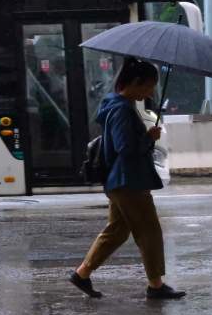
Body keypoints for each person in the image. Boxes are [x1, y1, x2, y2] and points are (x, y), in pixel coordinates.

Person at [69, 57, 186, 300]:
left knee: (117, 231)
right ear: (134, 82)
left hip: (118, 181)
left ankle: (82, 274)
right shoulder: (122, 109)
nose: (151, 91)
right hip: (129, 181)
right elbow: (126, 147)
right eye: (148, 85)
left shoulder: (114, 104)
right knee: (149, 232)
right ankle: (156, 286)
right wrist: (149, 137)